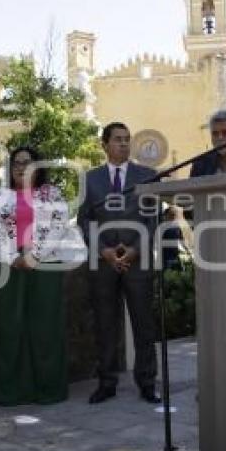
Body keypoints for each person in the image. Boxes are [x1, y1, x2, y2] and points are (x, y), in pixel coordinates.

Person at [0, 146, 81, 405]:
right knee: (8, 327)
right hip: (7, 267)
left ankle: (49, 390)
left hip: (45, 266)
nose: (21, 167)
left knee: (45, 327)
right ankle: (9, 392)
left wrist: (34, 255)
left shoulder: (53, 194)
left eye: (27, 162)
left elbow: (58, 226)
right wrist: (12, 256)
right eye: (16, 163)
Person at [77, 122, 161, 405]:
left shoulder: (147, 176)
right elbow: (84, 219)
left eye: (127, 139)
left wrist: (136, 250)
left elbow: (153, 219)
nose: (124, 144)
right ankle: (107, 382)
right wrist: (104, 251)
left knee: (144, 324)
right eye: (118, 140)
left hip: (138, 262)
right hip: (104, 263)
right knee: (105, 324)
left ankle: (148, 382)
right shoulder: (90, 180)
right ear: (105, 145)